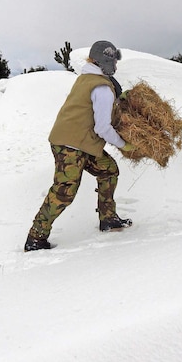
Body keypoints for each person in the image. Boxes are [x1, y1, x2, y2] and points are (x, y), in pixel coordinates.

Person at [24, 41, 136, 251]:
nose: (116, 66)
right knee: (64, 192)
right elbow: (103, 127)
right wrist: (124, 145)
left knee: (109, 170)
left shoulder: (87, 78)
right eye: (113, 62)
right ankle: (35, 238)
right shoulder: (101, 87)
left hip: (80, 142)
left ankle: (108, 218)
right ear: (104, 62)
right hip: (70, 145)